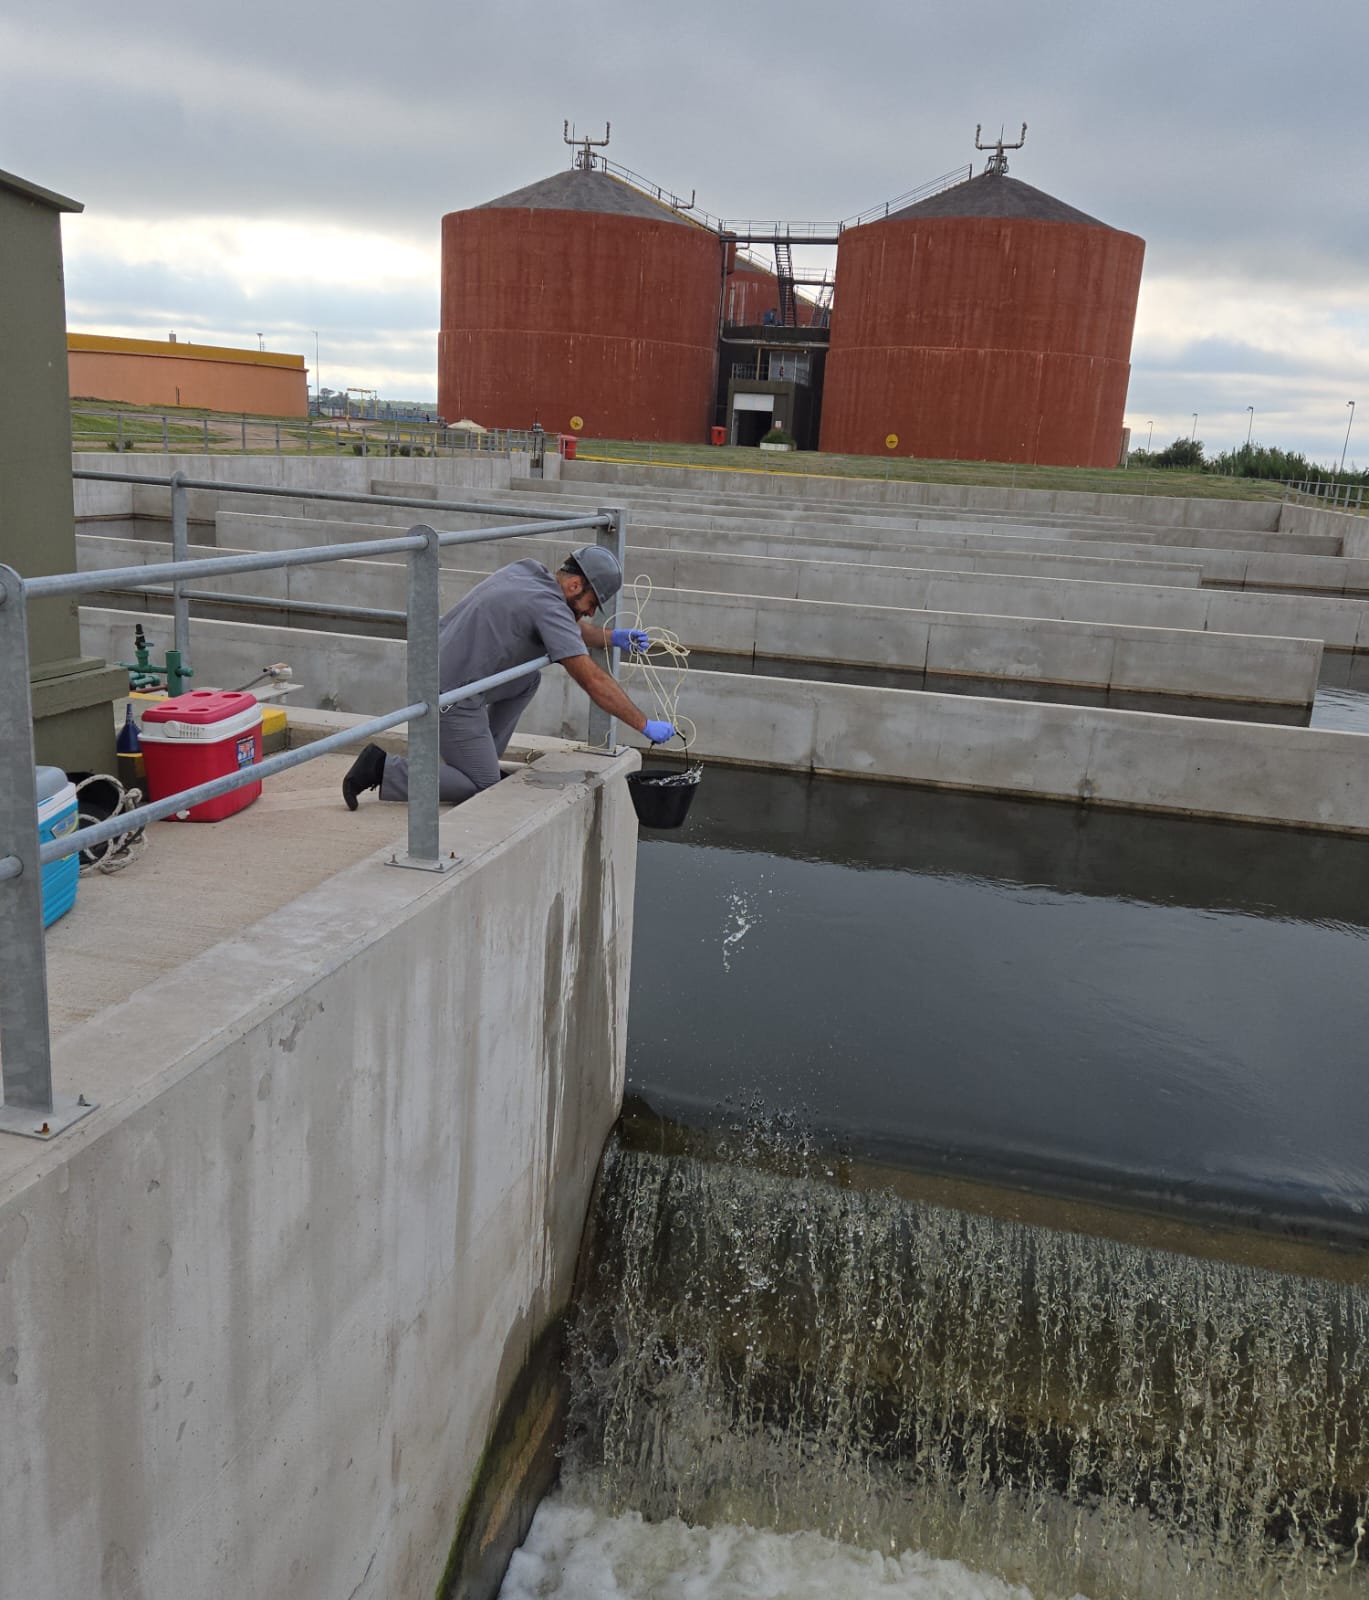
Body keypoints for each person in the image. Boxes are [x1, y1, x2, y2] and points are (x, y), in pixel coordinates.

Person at [341, 545, 673, 810]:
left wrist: (612, 638)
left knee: (528, 679)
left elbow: (566, 628)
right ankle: (383, 768)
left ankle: (478, 757)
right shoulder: (550, 607)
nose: (589, 612)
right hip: (447, 695)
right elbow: (593, 682)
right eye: (590, 603)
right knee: (483, 787)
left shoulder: (529, 571)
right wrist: (643, 725)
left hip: (438, 669)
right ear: (575, 585)